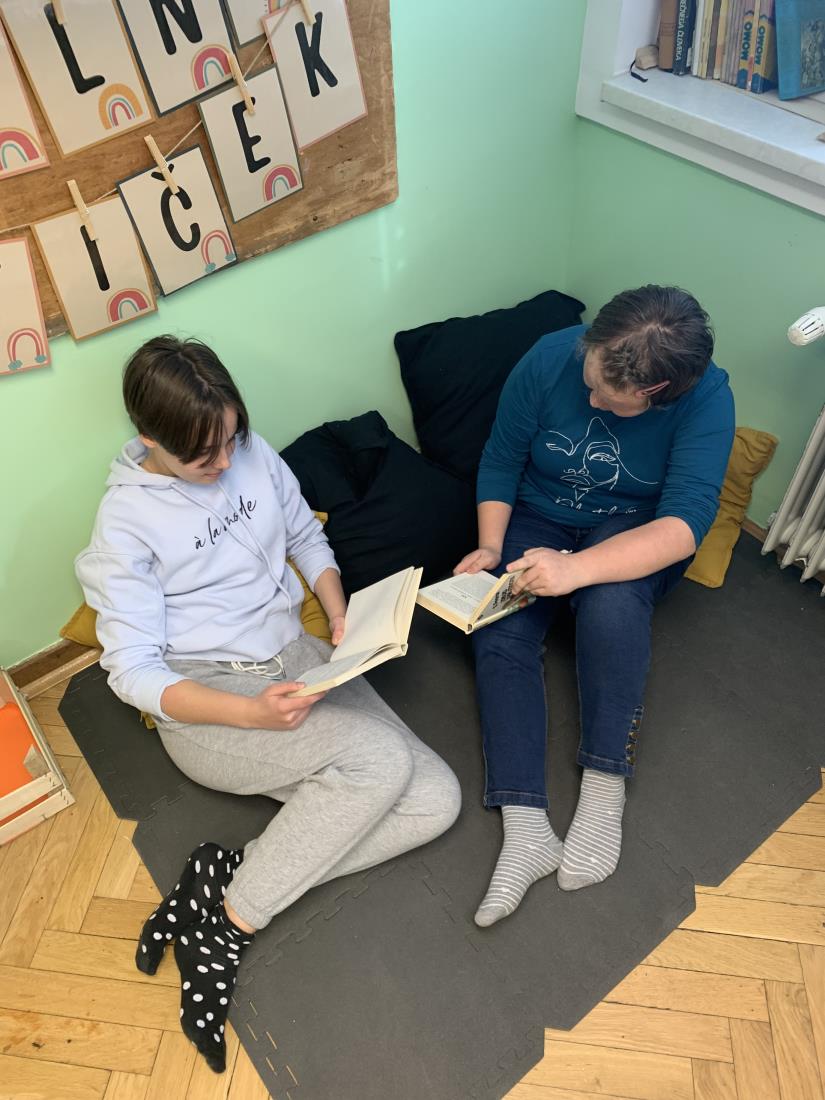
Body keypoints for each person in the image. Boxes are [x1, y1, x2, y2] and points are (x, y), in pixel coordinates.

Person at [75, 336, 461, 1072]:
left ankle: (224, 877)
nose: (226, 462)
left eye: (231, 440)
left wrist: (338, 610)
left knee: (436, 801)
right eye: (203, 457)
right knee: (379, 765)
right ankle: (225, 927)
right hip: (211, 702)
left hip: (296, 658)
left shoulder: (248, 451)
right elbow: (133, 673)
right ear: (150, 440)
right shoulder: (123, 527)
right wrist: (251, 714)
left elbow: (304, 535)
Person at [454, 285, 734, 927]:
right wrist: (491, 546)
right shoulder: (550, 356)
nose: (591, 401)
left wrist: (576, 570)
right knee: (498, 627)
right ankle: (526, 827)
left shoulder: (708, 400)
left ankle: (605, 787)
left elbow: (685, 525)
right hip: (537, 512)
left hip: (634, 528)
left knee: (611, 605)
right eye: (589, 379)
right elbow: (501, 457)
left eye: (609, 398)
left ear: (656, 393)